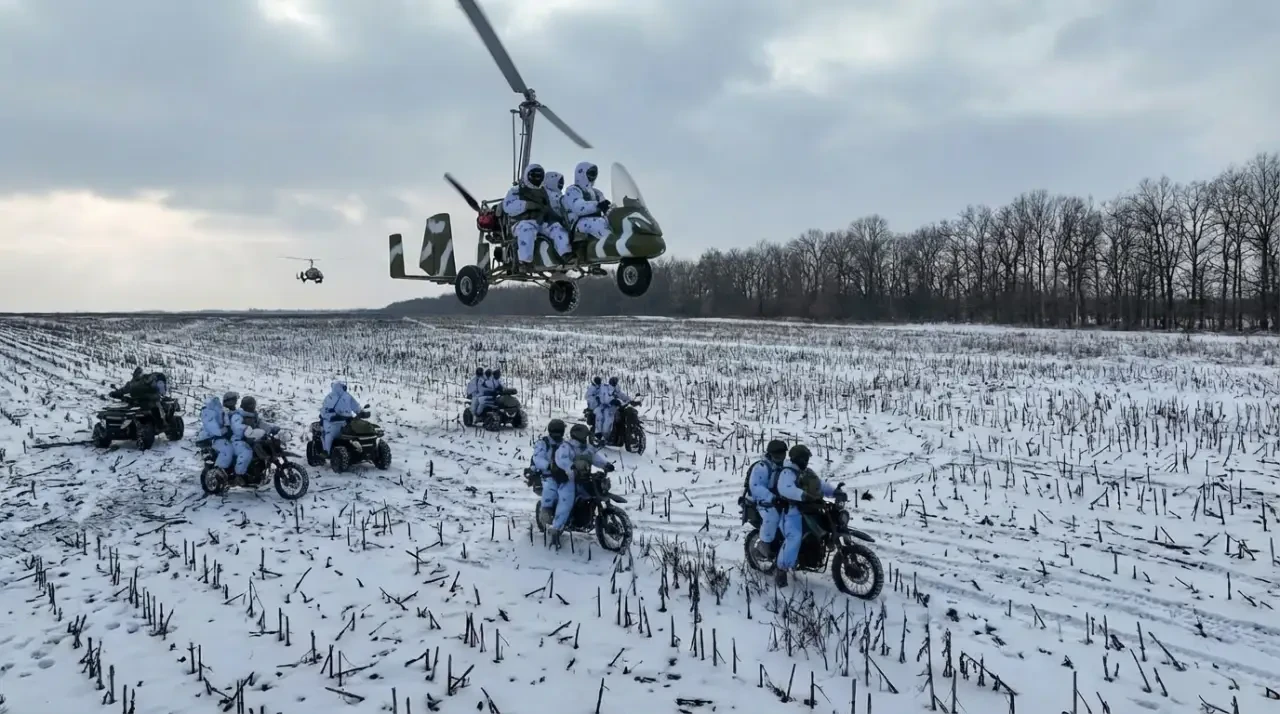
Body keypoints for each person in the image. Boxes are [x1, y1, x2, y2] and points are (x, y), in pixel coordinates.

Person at [774, 444, 846, 586]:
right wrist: (803, 495)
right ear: (796, 459)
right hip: (792, 513)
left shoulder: (807, 472)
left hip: (810, 510)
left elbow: (820, 485)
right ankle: (781, 570)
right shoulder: (787, 473)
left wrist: (834, 492)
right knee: (794, 538)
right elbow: (786, 489)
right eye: (804, 458)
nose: (806, 461)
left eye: (807, 458)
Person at [548, 423, 615, 544]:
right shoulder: (566, 447)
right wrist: (570, 466)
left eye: (586, 435)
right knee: (566, 501)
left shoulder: (587, 448)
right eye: (583, 435)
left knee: (596, 492)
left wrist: (606, 464)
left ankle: (588, 516)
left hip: (584, 478)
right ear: (576, 435)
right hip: (569, 479)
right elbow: (561, 459)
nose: (585, 437)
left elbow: (596, 458)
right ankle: (556, 529)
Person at [502, 163, 561, 267]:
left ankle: (562, 256)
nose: (537, 178)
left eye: (539, 176)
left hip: (541, 222)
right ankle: (525, 260)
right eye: (534, 176)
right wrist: (526, 205)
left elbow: (554, 203)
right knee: (527, 230)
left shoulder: (544, 191)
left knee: (557, 229)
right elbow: (507, 206)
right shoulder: (516, 190)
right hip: (521, 222)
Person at [747, 439, 789, 559]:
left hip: (781, 499)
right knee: (772, 517)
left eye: (782, 453)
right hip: (762, 501)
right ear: (770, 454)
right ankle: (763, 545)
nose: (780, 456)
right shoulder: (762, 467)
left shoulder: (785, 466)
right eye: (777, 454)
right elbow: (756, 487)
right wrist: (772, 498)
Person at [229, 396, 279, 483]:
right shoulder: (238, 415)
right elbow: (236, 427)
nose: (253, 407)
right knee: (247, 452)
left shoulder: (254, 416)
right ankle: (239, 475)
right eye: (251, 405)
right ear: (245, 405)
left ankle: (259, 472)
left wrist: (271, 429)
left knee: (263, 448)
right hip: (239, 440)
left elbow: (261, 424)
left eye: (253, 405)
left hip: (252, 439)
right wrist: (246, 428)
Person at [562, 161, 612, 241]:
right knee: (599, 225)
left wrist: (611, 209)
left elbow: (605, 206)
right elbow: (579, 208)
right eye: (590, 173)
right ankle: (610, 243)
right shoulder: (573, 190)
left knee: (613, 224)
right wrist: (598, 205)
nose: (593, 176)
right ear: (582, 173)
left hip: (598, 219)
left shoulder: (597, 192)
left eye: (594, 174)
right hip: (578, 222)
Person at [532, 419, 567, 527]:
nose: (557, 435)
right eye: (555, 432)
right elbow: (537, 458)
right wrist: (548, 466)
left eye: (559, 432)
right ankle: (546, 513)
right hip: (547, 474)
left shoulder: (565, 444)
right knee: (550, 489)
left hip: (564, 474)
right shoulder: (543, 443)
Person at [197, 392, 238, 472]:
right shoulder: (221, 412)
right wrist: (226, 429)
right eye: (233, 400)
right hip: (218, 438)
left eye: (235, 400)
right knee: (227, 450)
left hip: (229, 436)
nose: (235, 402)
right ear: (227, 401)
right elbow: (218, 429)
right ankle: (218, 471)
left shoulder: (232, 412)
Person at [539, 170, 572, 261]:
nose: (561, 185)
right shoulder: (544, 194)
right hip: (546, 223)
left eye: (562, 183)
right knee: (558, 231)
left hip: (558, 221)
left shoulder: (559, 195)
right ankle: (565, 254)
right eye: (559, 182)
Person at [319, 381, 360, 454]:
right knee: (331, 434)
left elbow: (324, 411)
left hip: (337, 422)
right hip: (342, 421)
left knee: (329, 435)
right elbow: (356, 407)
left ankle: (327, 452)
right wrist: (360, 412)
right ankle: (328, 452)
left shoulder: (330, 397)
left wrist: (329, 416)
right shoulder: (346, 396)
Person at [600, 376, 632, 444]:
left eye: (615, 382)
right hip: (606, 407)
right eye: (613, 382)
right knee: (609, 419)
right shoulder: (605, 388)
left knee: (621, 418)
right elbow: (603, 398)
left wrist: (629, 399)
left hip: (615, 407)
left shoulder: (616, 388)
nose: (614, 383)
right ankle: (605, 436)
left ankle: (620, 434)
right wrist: (611, 401)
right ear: (610, 382)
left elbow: (621, 395)